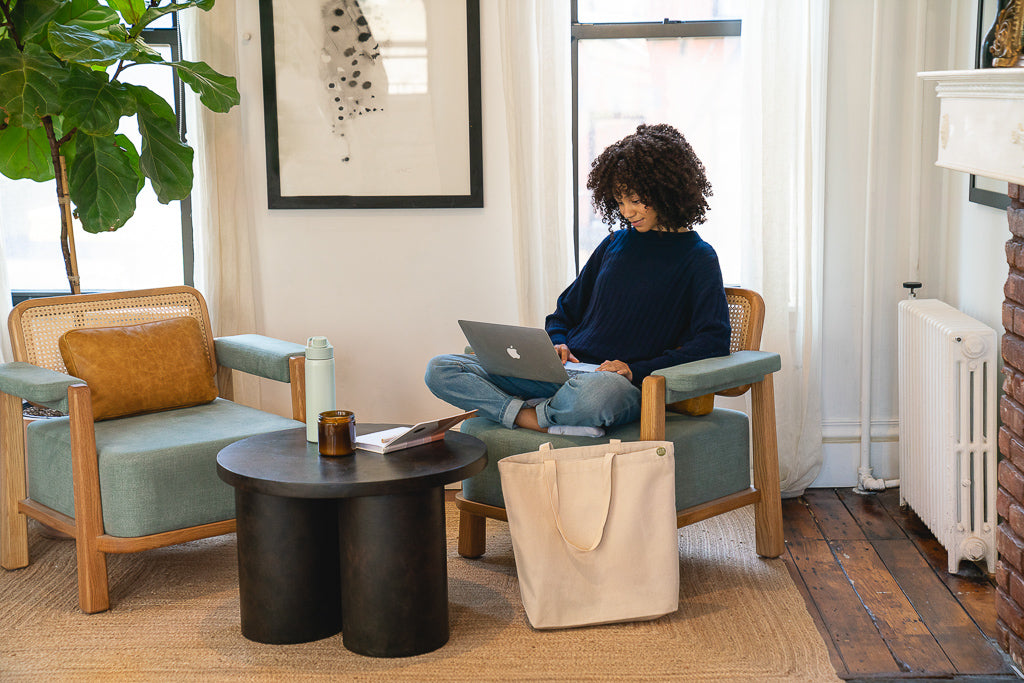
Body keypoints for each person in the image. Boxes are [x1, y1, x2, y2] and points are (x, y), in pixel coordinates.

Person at [425, 123, 731, 437]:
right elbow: (563, 314)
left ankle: (529, 412)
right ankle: (542, 416)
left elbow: (713, 341)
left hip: (614, 384)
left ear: (667, 191)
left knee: (598, 396)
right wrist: (558, 343)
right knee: (442, 368)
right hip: (564, 372)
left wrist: (634, 370)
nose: (627, 211)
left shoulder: (698, 257)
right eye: (619, 201)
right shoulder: (614, 244)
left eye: (636, 200)